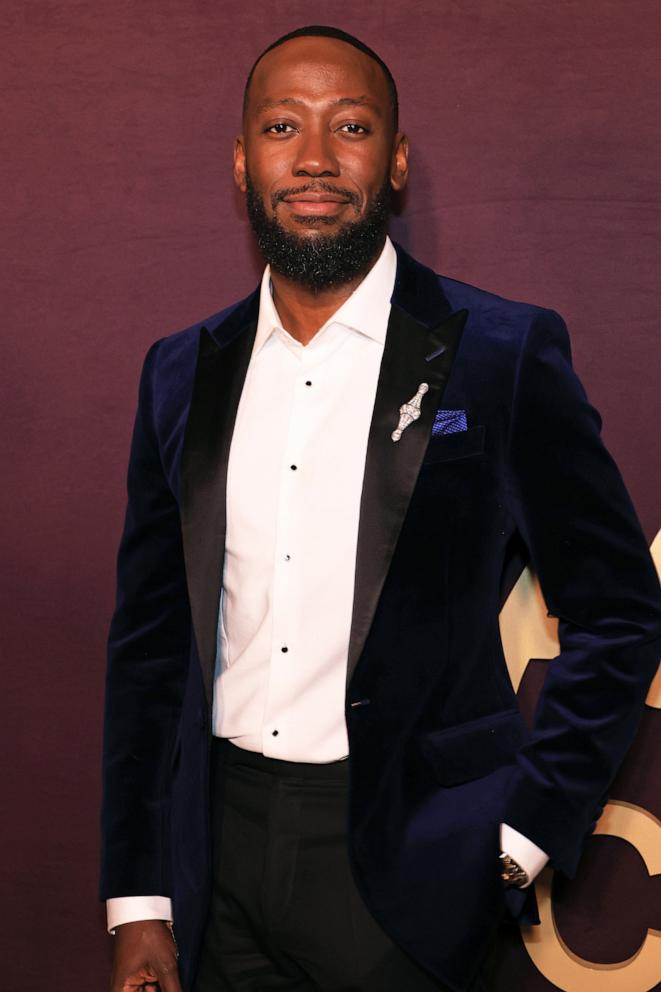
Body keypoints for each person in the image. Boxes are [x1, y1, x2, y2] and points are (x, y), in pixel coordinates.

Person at [100, 24, 661, 992]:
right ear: (242, 162)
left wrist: (520, 838)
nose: (313, 157)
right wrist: (141, 898)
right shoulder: (179, 372)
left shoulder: (500, 354)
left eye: (349, 126)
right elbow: (150, 650)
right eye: (282, 126)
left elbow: (618, 608)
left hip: (416, 874)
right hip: (218, 870)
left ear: (394, 160)